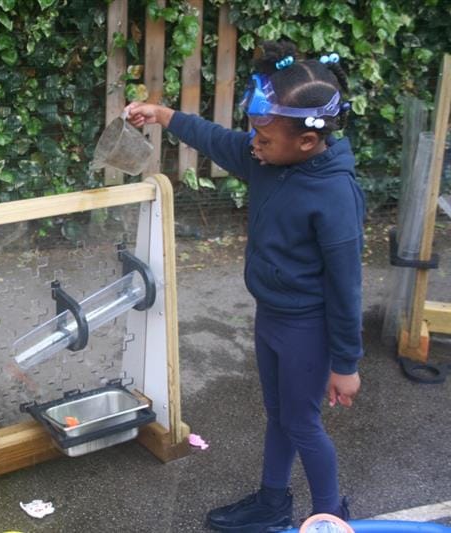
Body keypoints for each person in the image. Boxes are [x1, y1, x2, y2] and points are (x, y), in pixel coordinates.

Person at [125, 40, 364, 531]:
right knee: (279, 415)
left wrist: (346, 365)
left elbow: (347, 288)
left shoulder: (335, 194)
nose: (253, 144)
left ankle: (331, 515)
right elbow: (213, 138)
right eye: (254, 133)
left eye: (264, 137)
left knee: (302, 423)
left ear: (307, 141)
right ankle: (272, 502)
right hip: (273, 315)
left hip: (308, 326)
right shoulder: (267, 158)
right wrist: (162, 114)